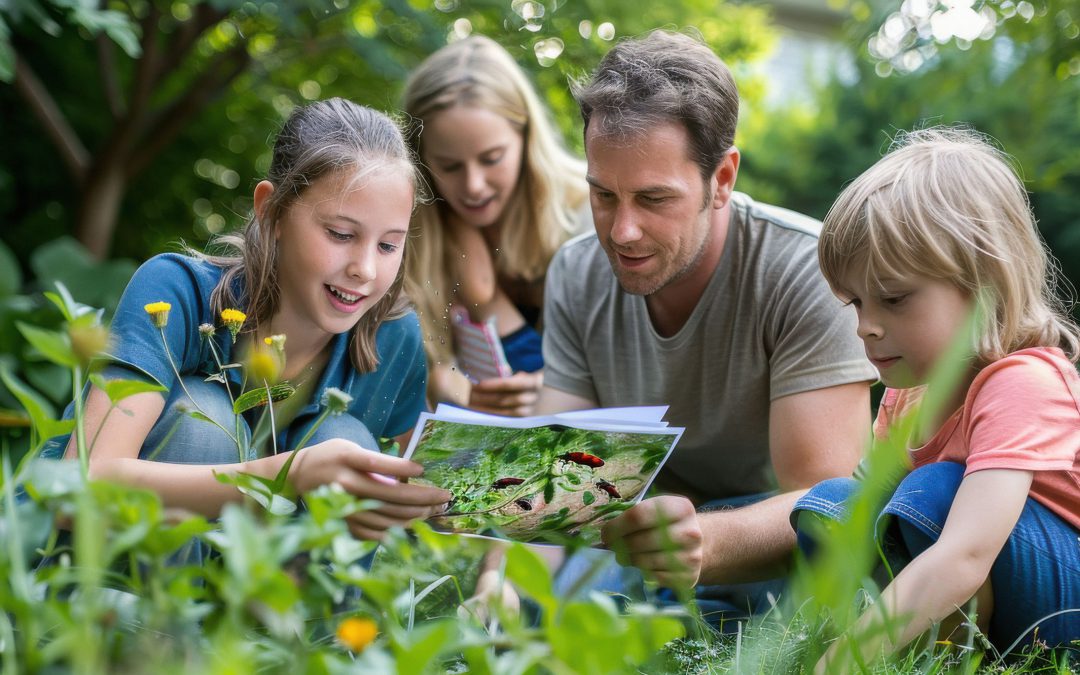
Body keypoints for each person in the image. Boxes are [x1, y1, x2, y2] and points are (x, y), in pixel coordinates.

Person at [535, 29, 876, 619]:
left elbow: (828, 505)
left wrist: (705, 542)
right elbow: (559, 482)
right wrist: (501, 584)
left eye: (653, 199)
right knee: (552, 617)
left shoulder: (805, 269)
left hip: (768, 544)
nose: (622, 232)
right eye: (603, 195)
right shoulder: (576, 272)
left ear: (721, 180)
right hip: (635, 541)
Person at [42, 98, 450, 543]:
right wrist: (283, 476)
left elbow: (424, 498)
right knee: (202, 416)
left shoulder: (393, 338)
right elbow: (74, 492)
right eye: (340, 234)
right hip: (111, 582)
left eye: (389, 245)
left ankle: (306, 617)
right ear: (271, 212)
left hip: (277, 592)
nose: (365, 270)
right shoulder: (175, 292)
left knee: (345, 436)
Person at [792, 127, 1080, 666]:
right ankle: (900, 640)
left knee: (935, 492)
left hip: (1066, 589)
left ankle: (952, 656)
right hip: (990, 569)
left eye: (895, 299)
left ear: (983, 286)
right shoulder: (911, 392)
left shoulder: (1023, 382)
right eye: (855, 302)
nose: (867, 327)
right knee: (832, 506)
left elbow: (966, 551)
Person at [402, 35, 589, 417]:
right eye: (449, 166)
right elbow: (429, 365)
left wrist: (562, 386)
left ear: (525, 137)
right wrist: (448, 384)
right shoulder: (413, 231)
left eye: (492, 158)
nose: (473, 186)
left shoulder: (588, 213)